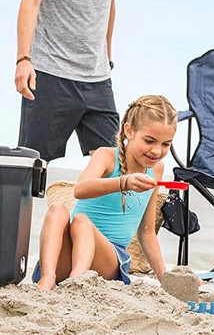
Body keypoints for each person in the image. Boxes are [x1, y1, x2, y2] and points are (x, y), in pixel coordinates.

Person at [32, 95, 177, 290]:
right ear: (129, 131)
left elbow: (147, 232)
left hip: (109, 260)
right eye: (149, 141)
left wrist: (165, 279)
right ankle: (47, 277)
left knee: (83, 222)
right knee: (58, 210)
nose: (157, 151)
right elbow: (80, 189)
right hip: (72, 253)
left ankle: (78, 279)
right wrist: (123, 182)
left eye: (165, 144)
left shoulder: (156, 169)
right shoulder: (107, 156)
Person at [14, 0, 125, 162]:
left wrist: (107, 56)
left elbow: (109, 0)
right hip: (50, 72)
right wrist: (23, 59)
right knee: (35, 164)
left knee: (113, 162)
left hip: (98, 79)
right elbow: (30, 2)